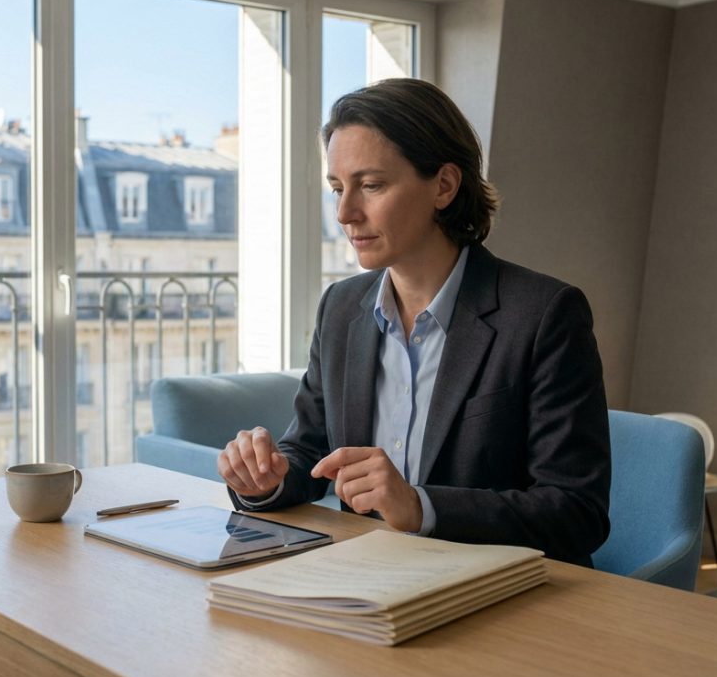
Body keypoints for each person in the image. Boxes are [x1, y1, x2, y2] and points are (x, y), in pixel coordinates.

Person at [217, 78, 611, 566]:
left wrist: (419, 507)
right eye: (338, 188)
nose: (344, 212)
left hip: (500, 597)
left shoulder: (544, 314)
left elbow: (577, 512)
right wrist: (266, 480)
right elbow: (309, 451)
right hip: (368, 581)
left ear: (444, 185)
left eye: (371, 185)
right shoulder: (340, 308)